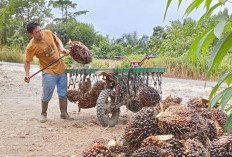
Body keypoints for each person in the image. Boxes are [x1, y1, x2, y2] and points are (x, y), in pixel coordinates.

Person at [24, 21, 73, 123]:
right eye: (37, 32)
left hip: (61, 68)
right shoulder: (31, 47)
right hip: (48, 71)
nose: (40, 33)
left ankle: (64, 113)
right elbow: (27, 61)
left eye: (40, 30)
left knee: (63, 93)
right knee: (47, 94)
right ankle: (43, 113)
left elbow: (57, 39)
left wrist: (62, 49)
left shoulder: (48, 32)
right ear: (31, 34)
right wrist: (27, 75)